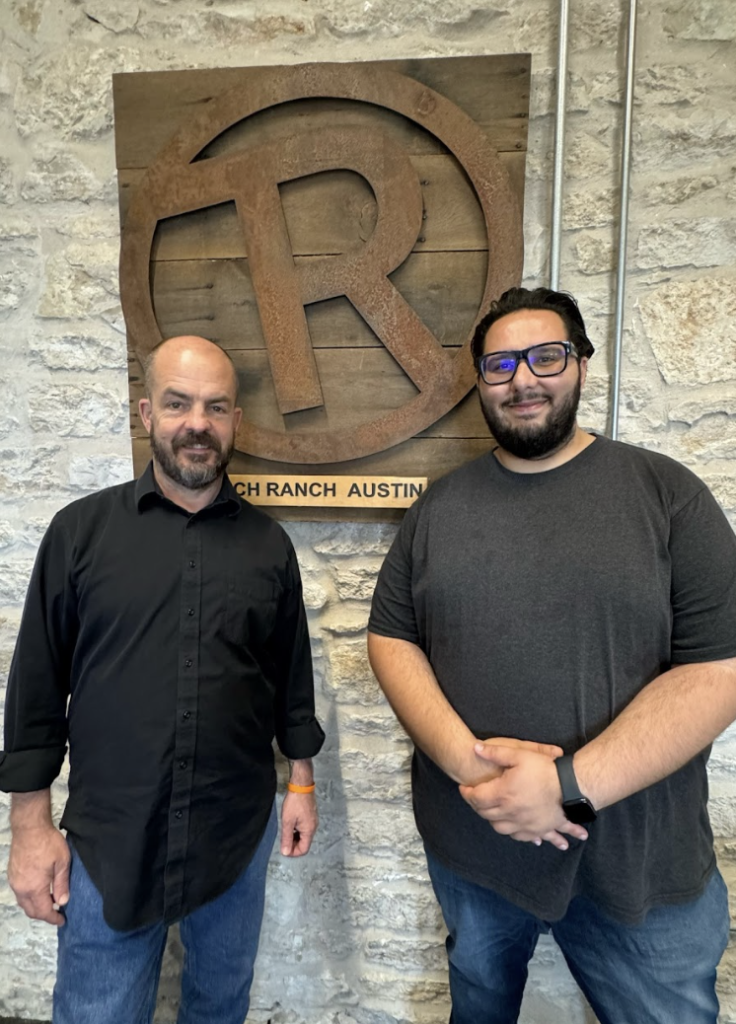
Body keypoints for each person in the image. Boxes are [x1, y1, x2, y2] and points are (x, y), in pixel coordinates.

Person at [367, 287, 736, 1024]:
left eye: (546, 356)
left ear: (582, 366)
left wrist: (567, 787)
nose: (523, 380)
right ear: (480, 381)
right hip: (476, 850)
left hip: (638, 862)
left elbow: (718, 669)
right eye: (501, 364)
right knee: (478, 1004)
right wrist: (475, 770)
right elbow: (392, 637)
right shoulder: (439, 508)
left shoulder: (667, 495)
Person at [0, 335, 325, 1024]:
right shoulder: (79, 534)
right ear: (147, 412)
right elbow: (34, 690)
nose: (196, 424)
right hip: (108, 838)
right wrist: (29, 830)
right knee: (97, 1011)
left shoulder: (269, 547)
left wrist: (301, 782)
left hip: (234, 829)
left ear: (236, 420)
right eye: (178, 404)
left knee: (220, 1004)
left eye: (215, 407)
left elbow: (291, 679)